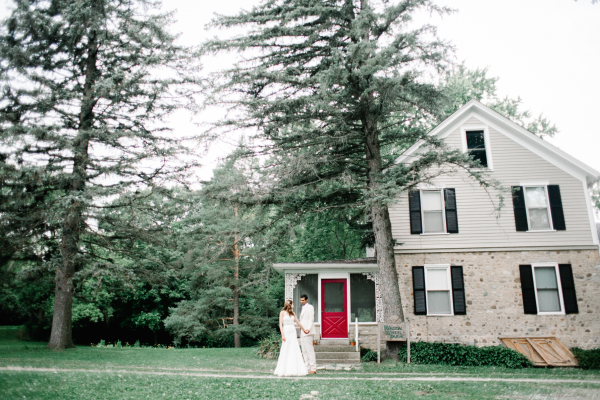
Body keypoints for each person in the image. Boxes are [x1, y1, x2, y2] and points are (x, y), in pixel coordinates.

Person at [273, 300, 309, 376]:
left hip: (292, 331)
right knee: (286, 348)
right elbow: (280, 324)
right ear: (290, 305)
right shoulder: (282, 312)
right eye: (293, 304)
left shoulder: (293, 313)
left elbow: (298, 322)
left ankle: (295, 368)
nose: (294, 306)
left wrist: (304, 330)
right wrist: (282, 334)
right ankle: (284, 369)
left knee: (294, 348)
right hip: (286, 331)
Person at [299, 294, 317, 374]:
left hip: (307, 332)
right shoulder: (302, 308)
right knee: (304, 351)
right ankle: (306, 367)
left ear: (306, 300)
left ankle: (313, 368)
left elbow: (311, 318)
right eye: (300, 300)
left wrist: (308, 329)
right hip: (302, 332)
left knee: (310, 351)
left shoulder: (310, 307)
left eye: (303, 300)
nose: (301, 302)